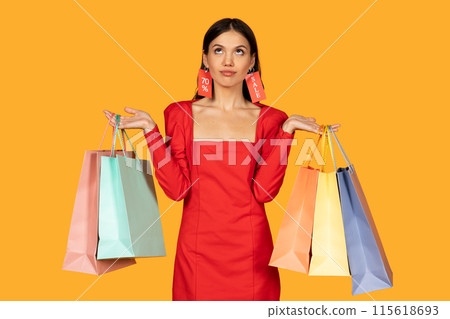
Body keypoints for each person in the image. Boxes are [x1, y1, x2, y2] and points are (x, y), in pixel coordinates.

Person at [103, 18, 340, 301]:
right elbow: (178, 191)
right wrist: (151, 133)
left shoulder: (272, 120)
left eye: (239, 51)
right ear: (205, 58)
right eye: (218, 50)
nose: (228, 60)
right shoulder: (179, 115)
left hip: (252, 256)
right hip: (196, 254)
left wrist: (286, 132)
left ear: (252, 61)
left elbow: (264, 193)